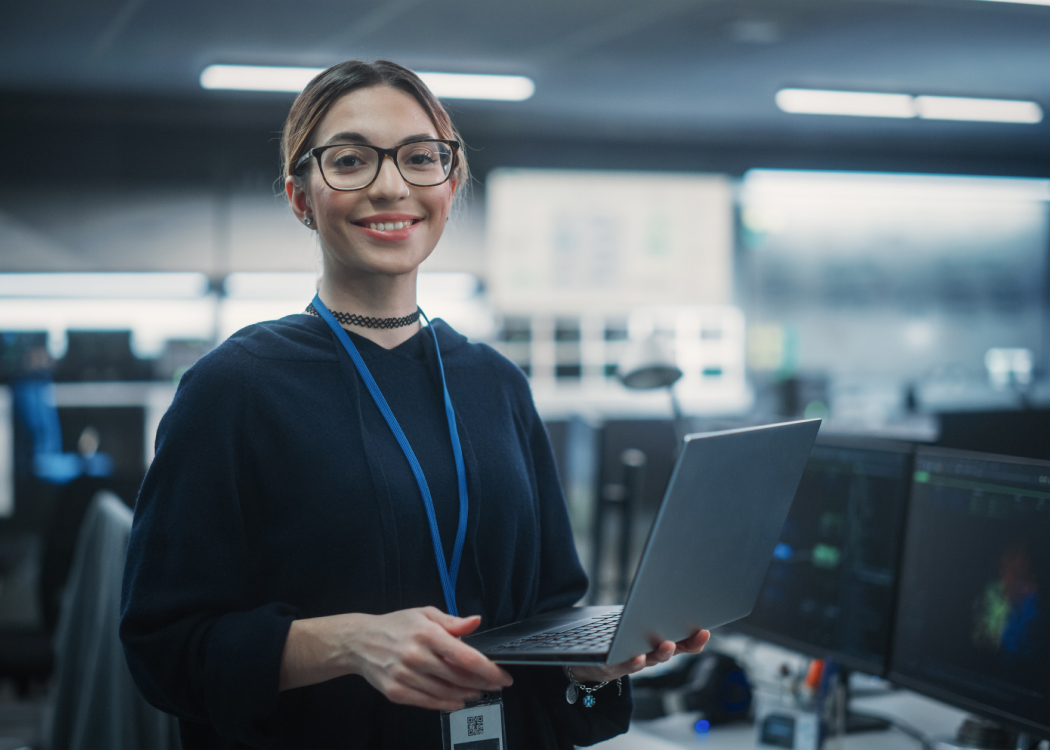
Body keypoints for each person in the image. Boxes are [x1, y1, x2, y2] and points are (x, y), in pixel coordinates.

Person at [119, 60, 709, 749]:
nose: (390, 185)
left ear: (450, 184)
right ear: (300, 197)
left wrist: (591, 659)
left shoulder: (496, 382)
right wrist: (348, 643)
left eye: (421, 158)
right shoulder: (235, 388)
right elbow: (164, 649)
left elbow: (550, 607)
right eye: (349, 161)